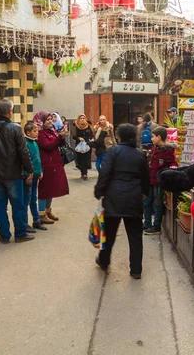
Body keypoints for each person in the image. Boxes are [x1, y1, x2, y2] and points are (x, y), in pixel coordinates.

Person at [94, 124, 149, 279]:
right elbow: (146, 176)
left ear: (119, 136)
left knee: (110, 234)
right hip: (134, 198)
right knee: (135, 236)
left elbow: (104, 174)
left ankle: (104, 261)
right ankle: (136, 270)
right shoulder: (140, 154)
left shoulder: (113, 152)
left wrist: (99, 192)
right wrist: (144, 192)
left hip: (113, 198)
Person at [0, 99, 35, 244]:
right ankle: (20, 234)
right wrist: (30, 170)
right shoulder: (15, 128)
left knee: (0, 206)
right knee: (17, 204)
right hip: (13, 173)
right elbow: (24, 152)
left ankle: (4, 236)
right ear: (10, 111)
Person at [34, 111, 69, 224]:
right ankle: (41, 213)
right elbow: (48, 146)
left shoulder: (52, 130)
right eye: (47, 120)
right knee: (45, 189)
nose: (50, 121)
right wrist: (59, 137)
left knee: (52, 188)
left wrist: (62, 136)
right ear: (42, 121)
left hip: (55, 163)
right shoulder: (40, 133)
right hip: (46, 164)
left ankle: (48, 211)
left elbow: (59, 144)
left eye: (51, 119)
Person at [143, 127, 177, 235]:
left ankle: (156, 226)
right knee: (146, 202)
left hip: (159, 181)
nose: (151, 139)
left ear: (159, 137)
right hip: (150, 180)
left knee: (157, 204)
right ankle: (147, 223)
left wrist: (172, 169)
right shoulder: (154, 148)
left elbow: (172, 163)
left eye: (153, 137)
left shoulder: (167, 150)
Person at [23, 122, 47, 231]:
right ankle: (24, 223)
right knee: (26, 199)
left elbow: (38, 159)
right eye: (35, 131)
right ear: (28, 132)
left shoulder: (34, 143)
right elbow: (26, 161)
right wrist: (28, 174)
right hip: (29, 176)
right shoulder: (26, 143)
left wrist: (40, 170)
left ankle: (36, 220)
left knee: (33, 198)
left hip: (36, 174)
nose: (37, 133)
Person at [71, 113, 93, 180]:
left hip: (87, 144)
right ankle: (83, 172)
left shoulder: (88, 125)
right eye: (81, 118)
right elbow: (73, 136)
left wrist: (92, 139)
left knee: (86, 158)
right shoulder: (76, 126)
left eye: (83, 118)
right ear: (78, 119)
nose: (82, 120)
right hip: (79, 145)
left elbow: (92, 134)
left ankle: (85, 173)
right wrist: (79, 138)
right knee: (81, 159)